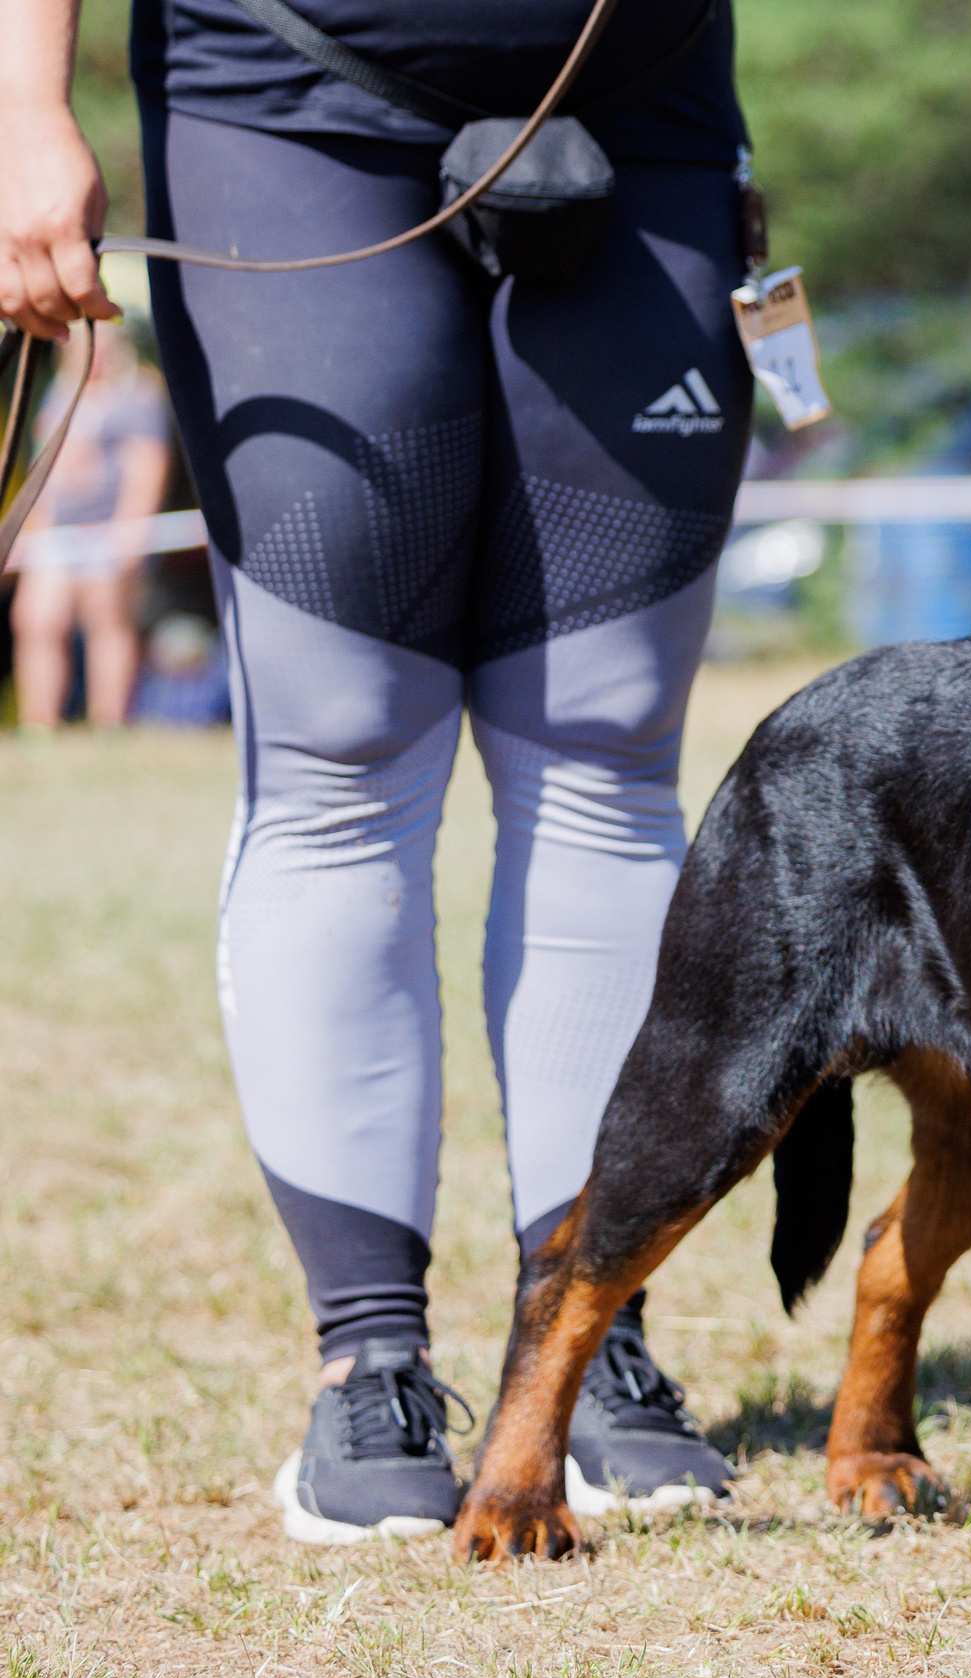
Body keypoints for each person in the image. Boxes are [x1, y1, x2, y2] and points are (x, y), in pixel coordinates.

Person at [2, 0, 753, 1541]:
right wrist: (23, 106)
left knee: (609, 740)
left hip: (643, 101)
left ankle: (590, 1335)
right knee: (340, 747)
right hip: (286, 96)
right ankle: (370, 1364)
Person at [4, 317, 170, 729]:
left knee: (107, 622)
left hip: (107, 531)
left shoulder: (138, 393)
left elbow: (148, 467)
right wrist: (30, 529)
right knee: (36, 620)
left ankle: (108, 723)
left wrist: (131, 530)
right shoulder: (59, 393)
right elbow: (44, 471)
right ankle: (39, 723)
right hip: (57, 532)